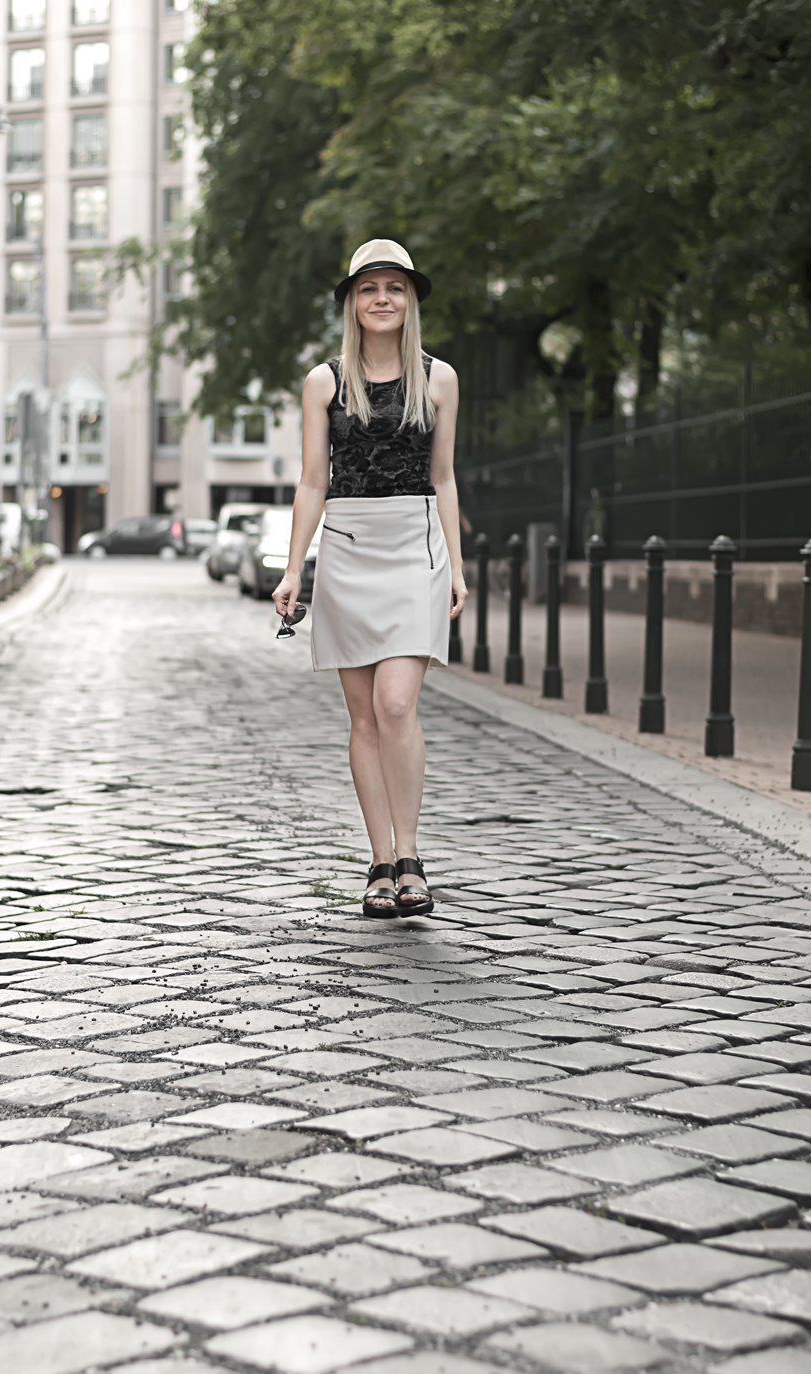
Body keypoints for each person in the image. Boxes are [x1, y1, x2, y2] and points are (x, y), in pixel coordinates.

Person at [273, 239, 466, 917]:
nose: (381, 299)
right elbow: (312, 480)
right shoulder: (324, 382)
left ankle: (411, 856)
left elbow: (442, 477)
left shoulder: (438, 378)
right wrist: (294, 568)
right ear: (352, 303)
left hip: (416, 549)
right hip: (349, 551)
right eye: (368, 288)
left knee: (394, 705)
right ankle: (379, 861)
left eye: (394, 288)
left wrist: (457, 568)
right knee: (361, 715)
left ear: (409, 301)